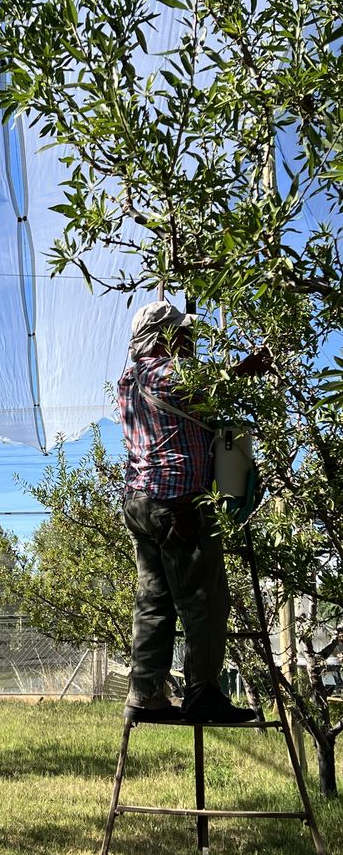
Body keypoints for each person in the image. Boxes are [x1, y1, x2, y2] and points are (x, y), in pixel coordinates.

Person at [118, 300, 270, 724]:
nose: (190, 341)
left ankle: (145, 694)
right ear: (165, 337)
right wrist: (249, 367)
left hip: (140, 501)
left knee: (154, 601)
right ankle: (202, 694)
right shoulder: (169, 373)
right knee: (204, 602)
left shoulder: (129, 379)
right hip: (178, 504)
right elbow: (221, 389)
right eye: (183, 333)